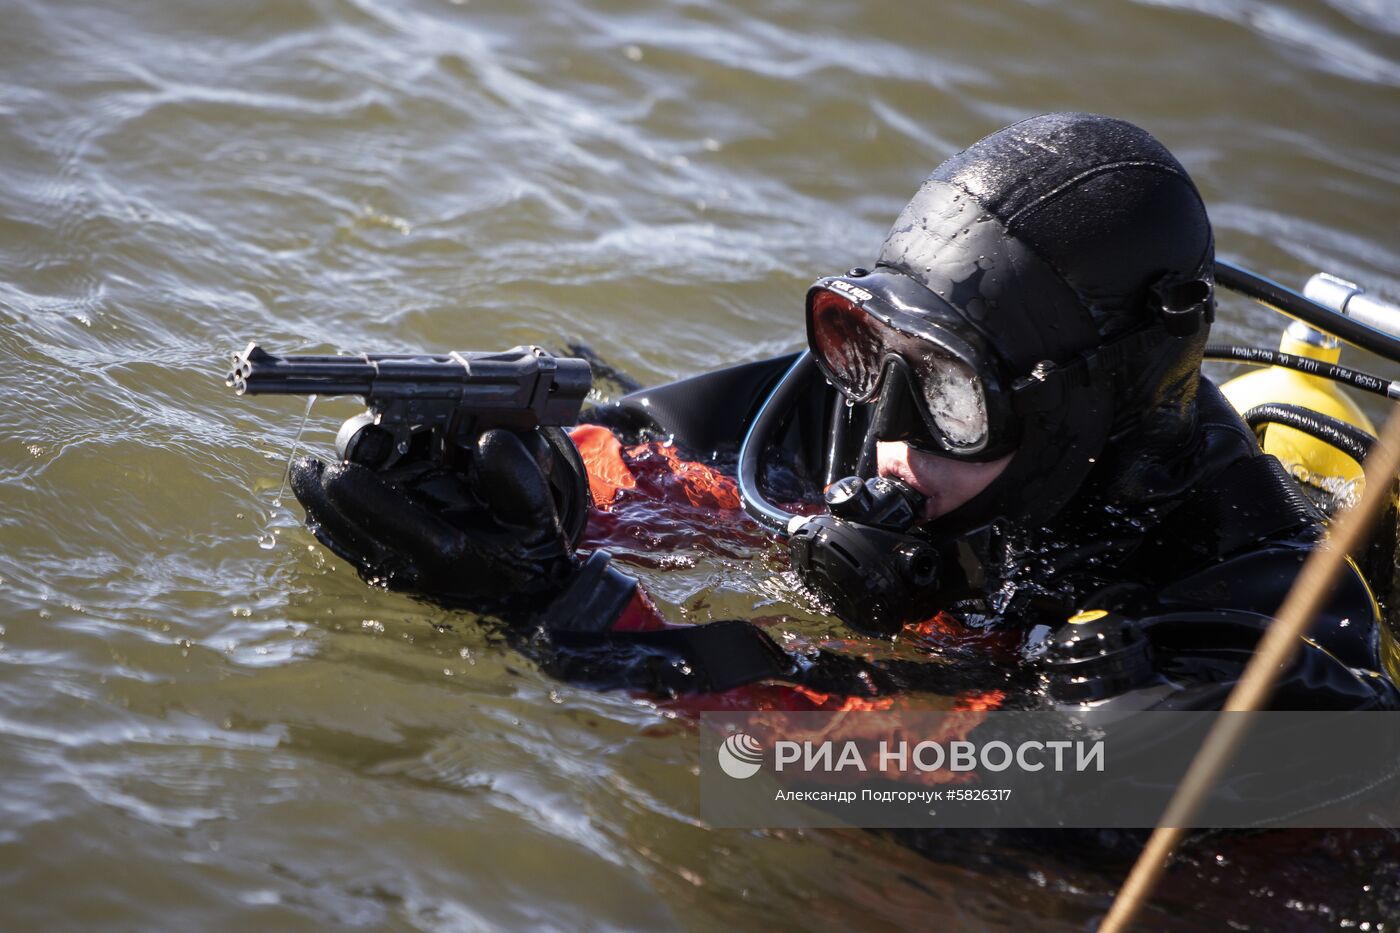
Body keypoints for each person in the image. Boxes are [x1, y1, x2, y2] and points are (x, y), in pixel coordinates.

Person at [289, 112, 1397, 712]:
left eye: (949, 387)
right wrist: (519, 489)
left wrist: (574, 621)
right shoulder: (897, 399)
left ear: (1080, 407)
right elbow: (666, 470)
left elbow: (945, 802)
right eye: (875, 354)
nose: (888, 434)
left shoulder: (1242, 635)